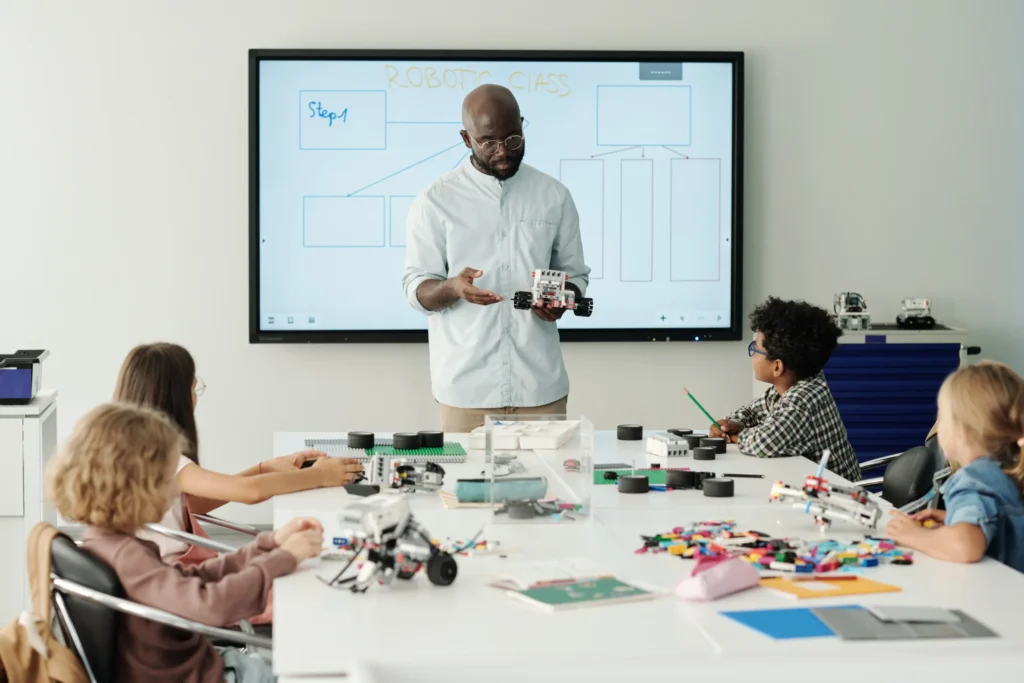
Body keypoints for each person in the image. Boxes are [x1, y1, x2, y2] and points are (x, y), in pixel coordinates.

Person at [47, 401, 322, 683]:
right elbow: (210, 606)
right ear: (137, 485)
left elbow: (188, 580)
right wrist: (283, 558)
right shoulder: (127, 555)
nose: (176, 492)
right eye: (168, 480)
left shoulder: (106, 540)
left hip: (195, 664)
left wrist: (270, 545)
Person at [402, 84, 590, 434]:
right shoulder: (435, 200)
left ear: (521, 126)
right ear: (465, 138)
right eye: (488, 142)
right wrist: (452, 288)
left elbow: (575, 273)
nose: (502, 151)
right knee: (462, 490)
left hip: (540, 389)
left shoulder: (554, 196)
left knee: (551, 489)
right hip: (465, 392)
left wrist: (564, 299)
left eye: (513, 139)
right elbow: (416, 289)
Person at [112, 343, 362, 562]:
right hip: (177, 580)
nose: (195, 398)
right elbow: (249, 493)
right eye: (193, 389)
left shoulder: (127, 451)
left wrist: (263, 468)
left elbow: (192, 505)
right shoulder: (164, 459)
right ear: (176, 398)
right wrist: (319, 476)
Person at [885, 362, 1024, 572]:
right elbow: (1002, 524)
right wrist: (955, 520)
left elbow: (965, 546)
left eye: (941, 416)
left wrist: (915, 536)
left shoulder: (972, 480)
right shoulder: (1010, 469)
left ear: (962, 431)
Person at [709, 297, 860, 481]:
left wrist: (736, 437)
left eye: (755, 349)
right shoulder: (791, 386)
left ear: (777, 367)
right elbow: (753, 411)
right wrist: (734, 423)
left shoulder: (803, 399)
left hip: (835, 498)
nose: (752, 355)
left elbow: (763, 444)